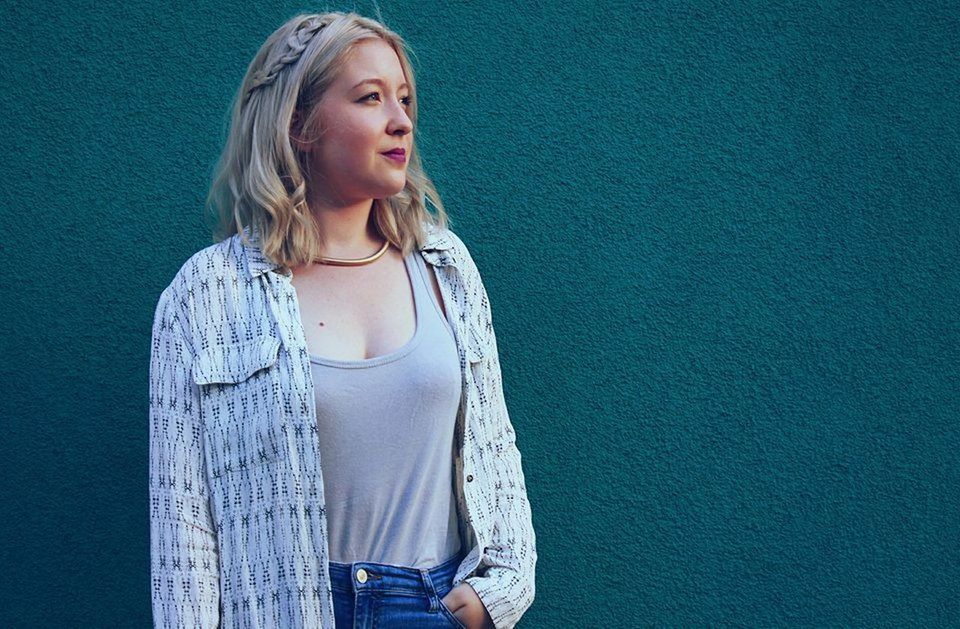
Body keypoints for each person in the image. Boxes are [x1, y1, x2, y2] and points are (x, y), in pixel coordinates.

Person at [148, 11, 537, 629]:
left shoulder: (446, 268)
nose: (401, 120)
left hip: (430, 605)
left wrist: (497, 596)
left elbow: (495, 444)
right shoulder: (206, 295)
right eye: (370, 97)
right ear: (299, 124)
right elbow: (182, 522)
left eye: (405, 99)